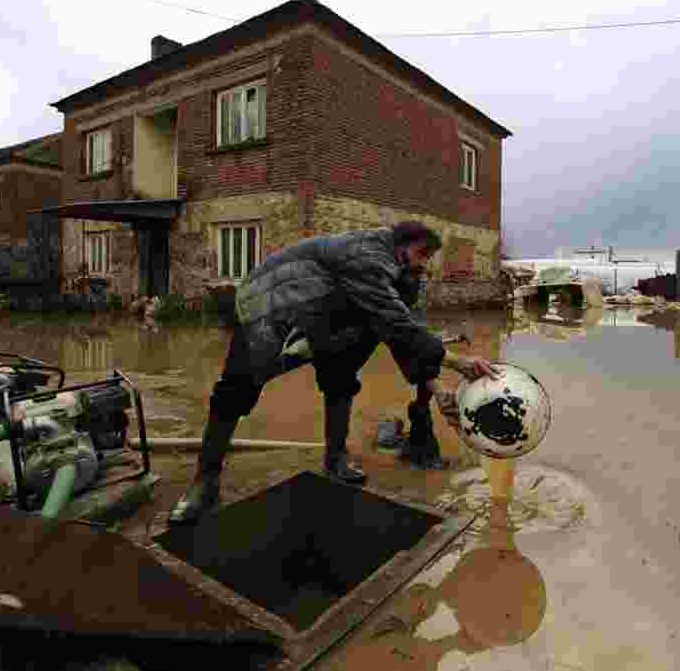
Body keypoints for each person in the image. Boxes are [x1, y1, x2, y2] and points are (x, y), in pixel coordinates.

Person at [169, 221, 498, 524]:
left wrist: (437, 389)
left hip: (324, 315)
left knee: (341, 377)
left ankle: (336, 458)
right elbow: (398, 323)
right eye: (422, 254)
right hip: (271, 306)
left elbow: (400, 333)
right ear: (402, 244)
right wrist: (460, 363)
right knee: (236, 392)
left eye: (429, 258)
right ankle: (205, 483)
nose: (424, 263)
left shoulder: (393, 276)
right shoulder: (368, 257)